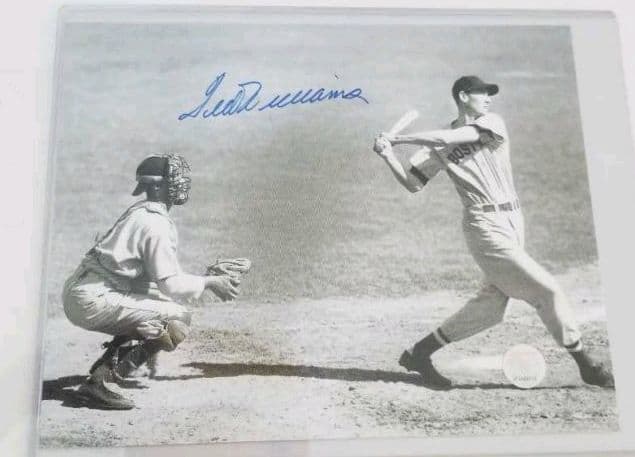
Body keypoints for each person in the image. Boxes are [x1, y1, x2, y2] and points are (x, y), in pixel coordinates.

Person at [373, 75, 614, 389]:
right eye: (482, 93)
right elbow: (413, 184)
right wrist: (388, 155)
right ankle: (587, 365)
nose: (488, 98)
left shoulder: (491, 123)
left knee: (491, 307)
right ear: (463, 96)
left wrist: (400, 139)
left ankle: (419, 354)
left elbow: (450, 138)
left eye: (490, 94)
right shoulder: (438, 145)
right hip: (483, 227)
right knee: (548, 290)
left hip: (513, 221)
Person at [62, 154, 241, 409]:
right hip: (93, 298)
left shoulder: (139, 212)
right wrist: (210, 282)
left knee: (159, 304)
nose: (181, 183)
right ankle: (101, 380)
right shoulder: (155, 224)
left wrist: (202, 278)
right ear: (157, 187)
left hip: (87, 289)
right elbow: (171, 284)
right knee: (177, 319)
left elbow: (155, 281)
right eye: (174, 179)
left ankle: (110, 366)